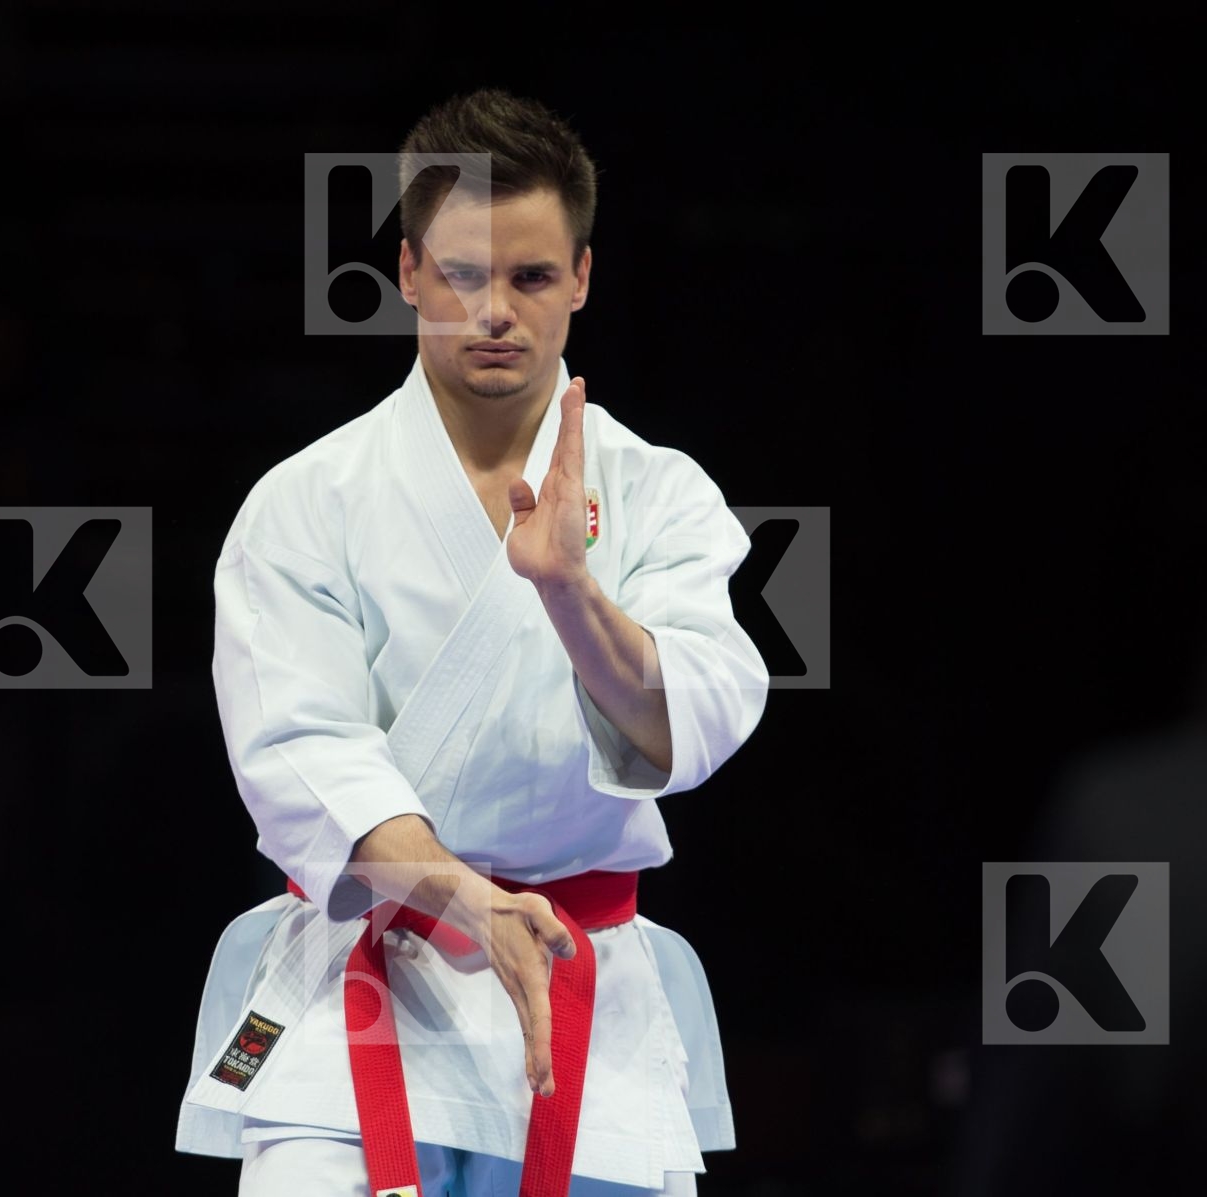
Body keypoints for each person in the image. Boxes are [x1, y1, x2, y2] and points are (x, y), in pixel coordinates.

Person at [175, 88, 769, 1196]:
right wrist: (461, 895)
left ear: (582, 279)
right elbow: (297, 753)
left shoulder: (661, 495)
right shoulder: (306, 502)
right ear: (407, 273)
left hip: (583, 1005)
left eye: (532, 277)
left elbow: (698, 719)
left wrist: (569, 593)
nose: (494, 310)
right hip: (351, 1020)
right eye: (461, 275)